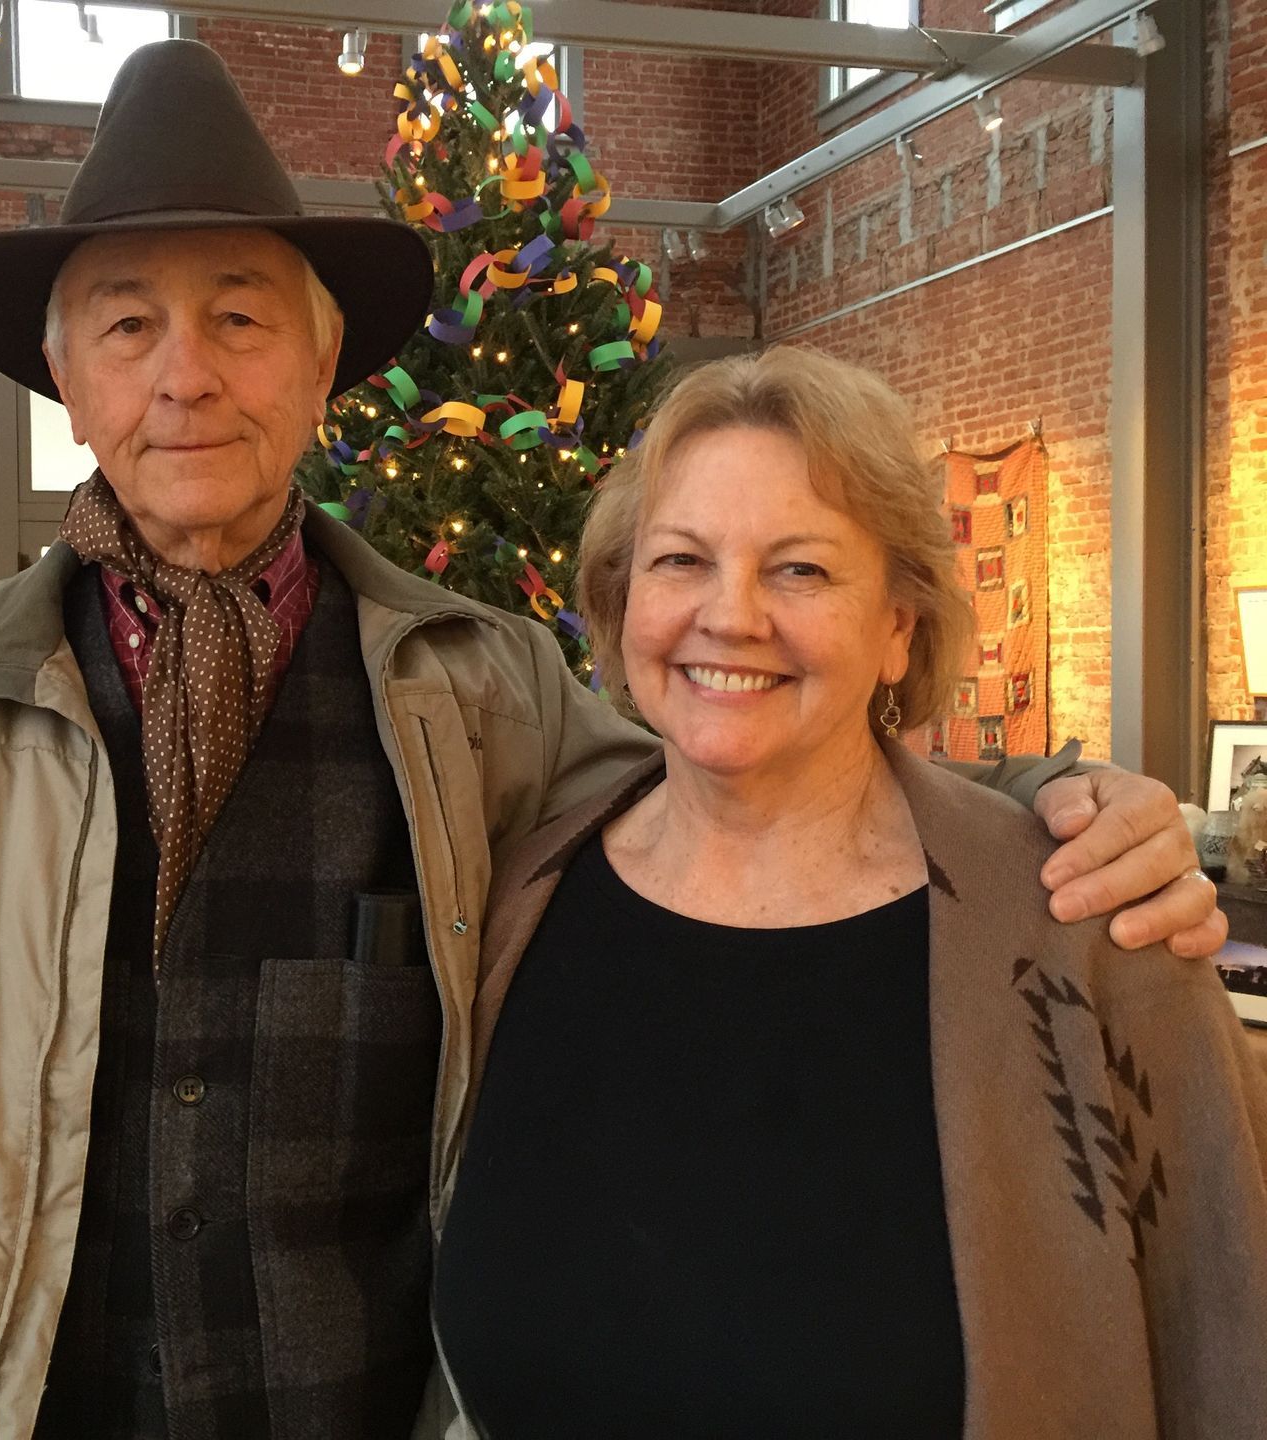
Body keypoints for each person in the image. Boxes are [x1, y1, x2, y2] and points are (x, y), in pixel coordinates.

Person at [0, 41, 1221, 1440]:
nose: (185, 374)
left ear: (322, 360)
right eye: (129, 322)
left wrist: (1046, 800)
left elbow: (744, 763)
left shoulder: (478, 691)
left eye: (242, 317)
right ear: (64, 373)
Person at [433, 348, 1267, 1437]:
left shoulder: (1090, 921)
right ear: (619, 601)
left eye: (801, 570)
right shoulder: (520, 904)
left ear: (898, 627)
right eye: (681, 560)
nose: (729, 617)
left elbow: (1230, 1350)